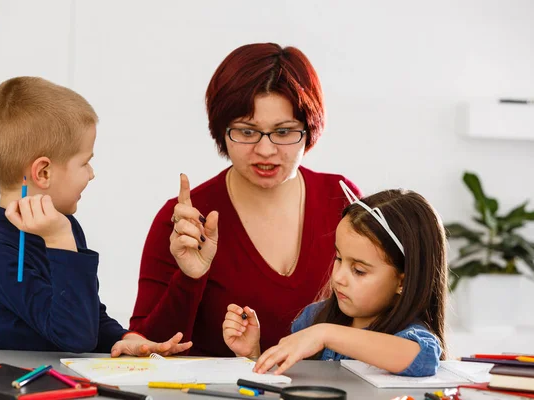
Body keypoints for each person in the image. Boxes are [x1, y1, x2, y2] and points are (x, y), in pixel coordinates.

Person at [130, 43, 361, 356]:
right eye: (247, 132)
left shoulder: (342, 200)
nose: (265, 151)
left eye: (283, 132)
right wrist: (189, 276)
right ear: (222, 130)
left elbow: (381, 321)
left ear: (309, 129)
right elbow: (147, 350)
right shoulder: (183, 220)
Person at [0, 76, 192, 356]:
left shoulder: (64, 226)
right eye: (85, 162)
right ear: (43, 173)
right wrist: (60, 240)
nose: (91, 173)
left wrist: (126, 338)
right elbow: (74, 337)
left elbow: (88, 316)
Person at [223, 182, 448, 377]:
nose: (338, 277)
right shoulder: (312, 318)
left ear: (402, 282)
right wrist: (253, 356)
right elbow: (288, 382)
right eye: (339, 258)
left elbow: (423, 360)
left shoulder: (409, 335)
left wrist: (326, 334)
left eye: (359, 270)